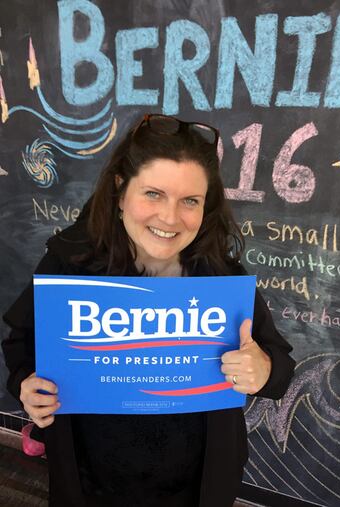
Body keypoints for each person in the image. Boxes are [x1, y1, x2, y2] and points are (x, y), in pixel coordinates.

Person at [2, 114, 296, 506]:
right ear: (121, 191)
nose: (170, 217)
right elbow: (23, 342)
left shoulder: (220, 279)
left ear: (205, 207)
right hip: (90, 485)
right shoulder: (69, 265)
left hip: (195, 489)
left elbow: (279, 366)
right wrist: (28, 385)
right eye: (153, 194)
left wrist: (264, 369)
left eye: (189, 200)